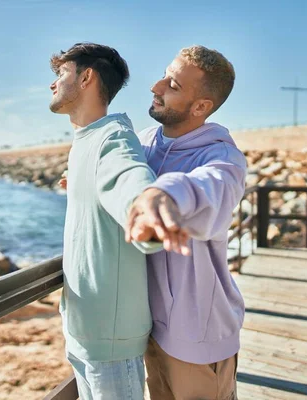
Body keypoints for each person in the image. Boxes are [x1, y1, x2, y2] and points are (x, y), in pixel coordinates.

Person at [49, 42, 188, 400]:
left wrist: (145, 206)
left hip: (110, 340)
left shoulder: (113, 136)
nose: (52, 84)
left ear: (86, 78)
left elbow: (128, 173)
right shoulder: (85, 141)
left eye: (60, 73)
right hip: (83, 329)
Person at [126, 45, 247, 400]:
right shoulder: (145, 142)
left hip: (197, 334)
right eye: (165, 74)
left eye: (173, 85)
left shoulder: (222, 156)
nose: (156, 86)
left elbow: (211, 187)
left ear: (200, 107)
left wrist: (164, 193)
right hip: (149, 326)